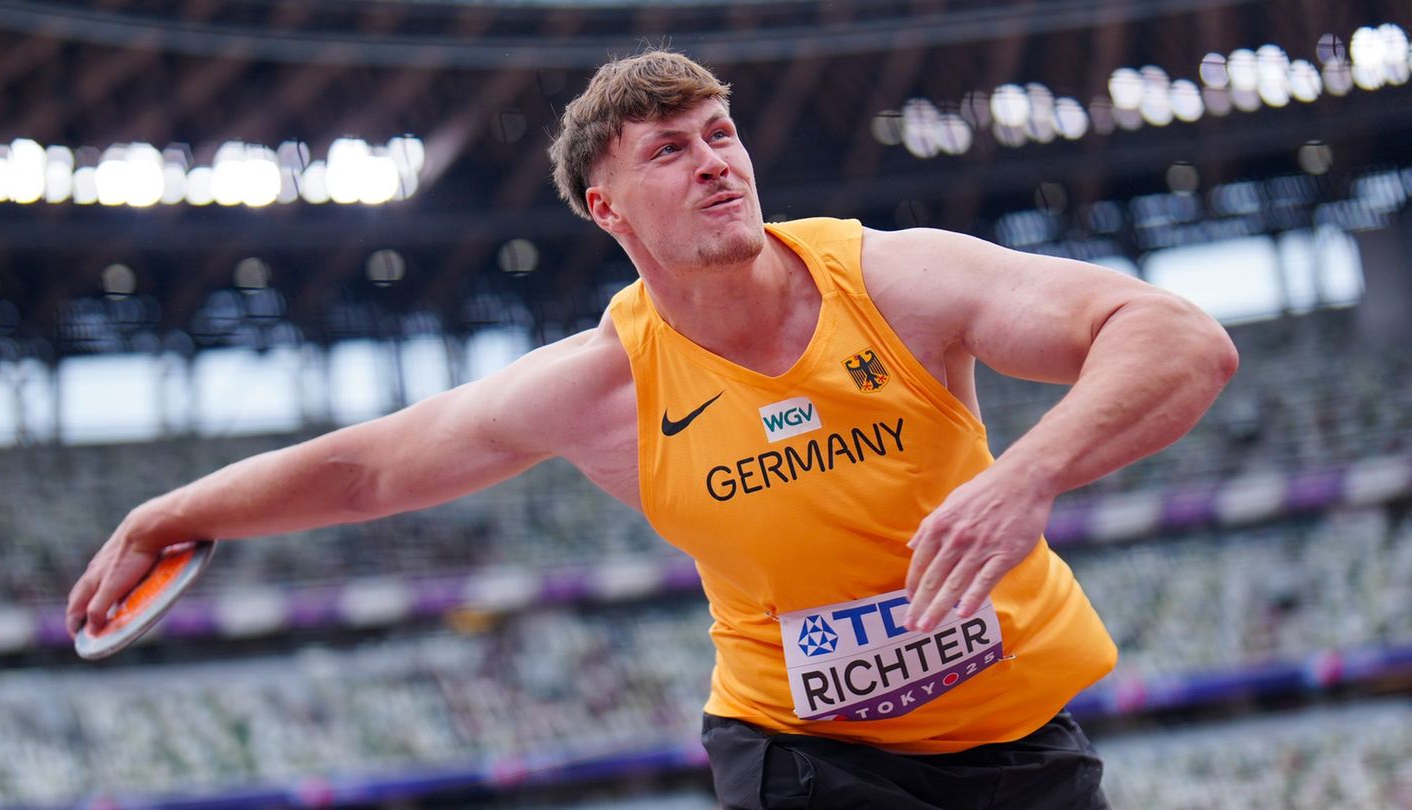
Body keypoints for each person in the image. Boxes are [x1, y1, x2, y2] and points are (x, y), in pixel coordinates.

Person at [66, 50, 1238, 809]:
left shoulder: (901, 282)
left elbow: (1178, 337)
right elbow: (370, 467)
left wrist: (1023, 476)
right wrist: (171, 510)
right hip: (805, 757)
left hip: (1023, 746)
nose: (716, 162)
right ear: (606, 207)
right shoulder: (602, 382)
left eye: (722, 134)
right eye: (671, 150)